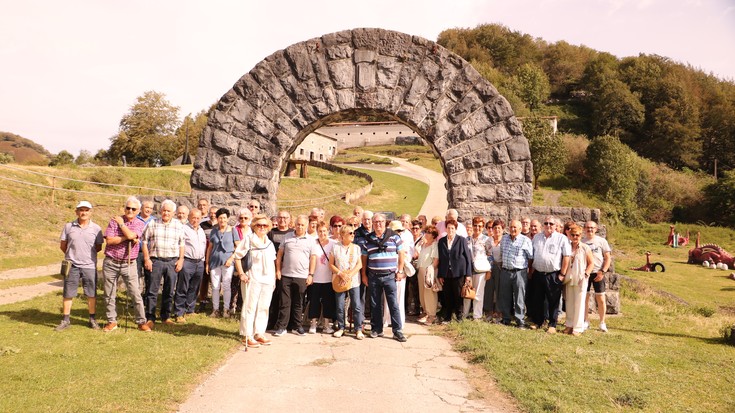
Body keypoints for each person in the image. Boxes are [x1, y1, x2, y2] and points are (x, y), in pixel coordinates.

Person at [101, 197, 150, 332]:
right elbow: (110, 241)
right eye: (128, 208)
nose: (130, 210)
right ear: (124, 208)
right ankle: (112, 321)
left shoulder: (139, 223)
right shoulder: (114, 220)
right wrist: (127, 237)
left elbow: (132, 235)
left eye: (133, 209)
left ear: (138, 211)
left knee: (135, 292)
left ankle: (141, 322)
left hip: (129, 263)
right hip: (111, 261)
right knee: (109, 293)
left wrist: (122, 225)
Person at [55, 201, 104, 331]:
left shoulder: (96, 228)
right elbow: (63, 245)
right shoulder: (68, 226)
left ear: (90, 212)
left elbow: (98, 247)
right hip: (71, 265)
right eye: (81, 210)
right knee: (68, 293)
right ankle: (65, 320)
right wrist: (72, 255)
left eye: (86, 210)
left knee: (91, 293)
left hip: (89, 265)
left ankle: (92, 319)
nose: (84, 212)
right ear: (76, 212)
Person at [361, 213, 407, 342]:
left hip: (389, 276)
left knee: (393, 304)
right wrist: (364, 275)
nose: (378, 224)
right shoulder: (367, 239)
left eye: (380, 222)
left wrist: (400, 270)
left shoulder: (394, 237)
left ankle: (397, 331)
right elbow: (364, 258)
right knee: (375, 304)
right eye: (375, 222)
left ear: (385, 223)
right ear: (373, 224)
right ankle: (377, 329)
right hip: (373, 276)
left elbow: (401, 254)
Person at [234, 214, 277, 348]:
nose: (262, 228)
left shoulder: (269, 243)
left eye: (265, 225)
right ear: (254, 226)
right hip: (252, 278)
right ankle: (247, 334)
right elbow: (237, 257)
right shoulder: (248, 240)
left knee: (264, 307)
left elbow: (272, 262)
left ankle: (259, 333)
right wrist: (241, 273)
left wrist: (274, 278)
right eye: (259, 225)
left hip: (267, 279)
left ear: (269, 227)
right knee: (250, 306)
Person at [142, 199, 185, 325]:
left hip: (172, 261)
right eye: (164, 210)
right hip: (156, 261)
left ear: (173, 213)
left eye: (169, 211)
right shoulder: (152, 223)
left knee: (169, 290)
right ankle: (150, 317)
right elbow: (144, 241)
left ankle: (165, 317)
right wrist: (146, 258)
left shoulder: (178, 225)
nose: (166, 213)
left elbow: (182, 244)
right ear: (160, 211)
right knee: (152, 290)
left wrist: (181, 259)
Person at [273, 215, 317, 336]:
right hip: (286, 275)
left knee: (299, 303)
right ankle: (282, 327)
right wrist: (278, 270)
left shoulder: (311, 240)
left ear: (306, 226)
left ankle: (297, 326)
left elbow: (313, 258)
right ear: (294, 224)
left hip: (302, 276)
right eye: (298, 224)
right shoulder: (287, 237)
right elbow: (279, 255)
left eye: (302, 225)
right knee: (284, 303)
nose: (300, 226)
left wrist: (311, 275)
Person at [529, 217, 571, 333]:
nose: (548, 225)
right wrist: (530, 270)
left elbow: (566, 257)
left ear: (555, 225)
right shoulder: (537, 237)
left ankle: (552, 324)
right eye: (546, 223)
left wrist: (562, 274)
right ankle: (538, 322)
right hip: (538, 273)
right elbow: (531, 255)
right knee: (537, 299)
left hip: (553, 274)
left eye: (551, 223)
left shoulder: (561, 238)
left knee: (553, 300)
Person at [329, 225, 364, 338]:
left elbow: (359, 264)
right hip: (339, 279)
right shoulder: (335, 247)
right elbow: (331, 264)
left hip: (353, 280)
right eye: (350, 233)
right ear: (342, 235)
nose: (353, 235)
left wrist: (349, 275)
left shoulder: (356, 248)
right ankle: (341, 327)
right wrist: (340, 274)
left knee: (356, 305)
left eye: (353, 233)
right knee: (340, 305)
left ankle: (358, 329)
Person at [205, 208, 241, 318]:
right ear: (217, 219)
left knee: (226, 286)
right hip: (214, 262)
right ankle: (215, 309)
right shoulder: (214, 231)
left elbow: (238, 246)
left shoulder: (233, 230)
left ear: (227, 218)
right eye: (220, 218)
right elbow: (210, 248)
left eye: (224, 218)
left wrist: (231, 258)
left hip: (227, 263)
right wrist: (207, 263)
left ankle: (226, 310)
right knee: (215, 287)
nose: (222, 220)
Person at [497, 220, 533, 328]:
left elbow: (530, 257)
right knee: (505, 296)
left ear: (520, 229)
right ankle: (506, 318)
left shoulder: (525, 240)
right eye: (511, 227)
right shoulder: (504, 239)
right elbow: (502, 253)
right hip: (506, 271)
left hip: (519, 273)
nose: (512, 229)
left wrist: (528, 270)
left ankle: (520, 320)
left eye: (515, 227)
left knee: (519, 297)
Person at [173, 209, 206, 323]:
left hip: (199, 262)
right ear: (189, 217)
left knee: (194, 288)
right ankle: (179, 312)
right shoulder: (184, 229)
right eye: (193, 218)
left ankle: (189, 310)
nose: (195, 220)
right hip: (187, 261)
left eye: (198, 218)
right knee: (183, 287)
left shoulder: (201, 230)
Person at [437, 219, 473, 323]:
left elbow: (467, 258)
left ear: (455, 229)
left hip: (458, 272)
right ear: (446, 229)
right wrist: (440, 274)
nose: (450, 230)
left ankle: (459, 316)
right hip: (446, 273)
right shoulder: (441, 241)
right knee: (447, 295)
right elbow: (441, 259)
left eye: (452, 228)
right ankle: (448, 317)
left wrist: (468, 274)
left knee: (458, 295)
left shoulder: (461, 240)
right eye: (448, 228)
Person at [266, 210, 295, 330]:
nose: (282, 220)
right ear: (276, 219)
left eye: (285, 217)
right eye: (280, 217)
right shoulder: (271, 233)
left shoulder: (293, 233)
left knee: (288, 298)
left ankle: (288, 323)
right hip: (273, 268)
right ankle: (272, 322)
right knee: (274, 297)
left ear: (289, 219)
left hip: (289, 269)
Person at [564, 224, 594, 336]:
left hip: (581, 278)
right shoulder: (567, 246)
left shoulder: (585, 248)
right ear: (570, 235)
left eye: (577, 235)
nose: (575, 237)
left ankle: (577, 328)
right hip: (569, 278)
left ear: (581, 236)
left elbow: (591, 263)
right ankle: (569, 325)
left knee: (579, 303)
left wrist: (586, 274)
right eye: (573, 235)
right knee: (569, 302)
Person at [582, 221, 612, 332]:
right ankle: (585, 321)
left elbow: (607, 258)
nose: (590, 229)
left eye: (592, 228)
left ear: (596, 229)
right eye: (588, 227)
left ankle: (602, 322)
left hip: (598, 272)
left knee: (601, 298)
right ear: (584, 228)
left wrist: (603, 271)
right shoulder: (582, 241)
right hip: (586, 273)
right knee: (585, 298)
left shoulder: (601, 241)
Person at [308, 221, 337, 334]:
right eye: (320, 231)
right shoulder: (313, 243)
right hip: (316, 278)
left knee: (328, 302)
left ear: (328, 231)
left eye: (324, 231)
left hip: (329, 278)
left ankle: (326, 325)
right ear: (317, 231)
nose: (322, 233)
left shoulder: (333, 243)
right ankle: (313, 323)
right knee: (314, 301)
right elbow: (312, 259)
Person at [464, 216, 491, 321]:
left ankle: (477, 316)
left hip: (481, 270)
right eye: (475, 225)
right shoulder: (467, 239)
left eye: (479, 226)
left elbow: (490, 255)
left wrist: (489, 270)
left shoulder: (486, 240)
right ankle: (465, 314)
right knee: (467, 292)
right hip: (468, 270)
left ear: (483, 227)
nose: (477, 228)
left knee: (478, 293)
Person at [231, 208, 253, 316]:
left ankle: (241, 306)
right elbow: (236, 243)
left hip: (249, 258)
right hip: (237, 258)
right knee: (235, 282)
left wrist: (242, 244)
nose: (243, 219)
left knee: (246, 282)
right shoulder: (235, 229)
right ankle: (232, 306)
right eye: (241, 218)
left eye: (245, 218)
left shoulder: (252, 229)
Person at [416, 225, 439, 325]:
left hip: (429, 271)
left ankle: (432, 315)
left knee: (429, 293)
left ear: (433, 235)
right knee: (422, 293)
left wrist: (430, 271)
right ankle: (426, 312)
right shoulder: (424, 245)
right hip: (421, 270)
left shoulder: (434, 245)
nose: (426, 233)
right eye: (426, 231)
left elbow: (436, 261)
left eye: (428, 232)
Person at [197, 205, 218, 312]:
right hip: (204, 255)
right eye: (211, 213)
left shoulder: (221, 226)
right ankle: (202, 301)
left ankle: (216, 304)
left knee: (216, 281)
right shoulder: (202, 225)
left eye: (215, 213)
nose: (213, 215)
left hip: (216, 256)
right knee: (204, 280)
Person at [483, 219, 504, 322]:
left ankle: (499, 313)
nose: (496, 230)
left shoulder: (505, 240)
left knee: (500, 290)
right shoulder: (488, 241)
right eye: (495, 228)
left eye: (499, 228)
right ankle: (489, 312)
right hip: (490, 268)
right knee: (489, 289)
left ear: (503, 229)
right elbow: (486, 253)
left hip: (501, 267)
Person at [135, 200, 155, 302]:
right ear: (141, 208)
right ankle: (137, 300)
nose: (148, 210)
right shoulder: (135, 219)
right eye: (147, 207)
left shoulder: (154, 221)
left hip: (150, 253)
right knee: (137, 276)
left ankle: (147, 299)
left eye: (151, 208)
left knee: (150, 277)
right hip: (137, 252)